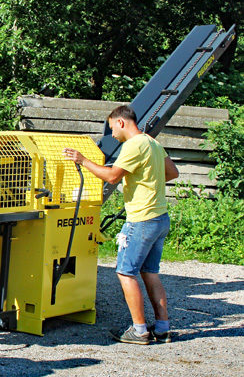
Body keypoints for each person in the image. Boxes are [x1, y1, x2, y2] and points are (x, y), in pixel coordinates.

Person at [64, 105, 179, 345]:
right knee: (150, 272)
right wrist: (145, 179)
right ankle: (162, 328)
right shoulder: (152, 143)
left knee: (125, 272)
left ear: (122, 122)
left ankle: (139, 330)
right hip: (160, 217)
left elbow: (112, 176)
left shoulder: (133, 145)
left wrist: (82, 160)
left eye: (112, 127)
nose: (112, 133)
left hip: (141, 220)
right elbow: (172, 173)